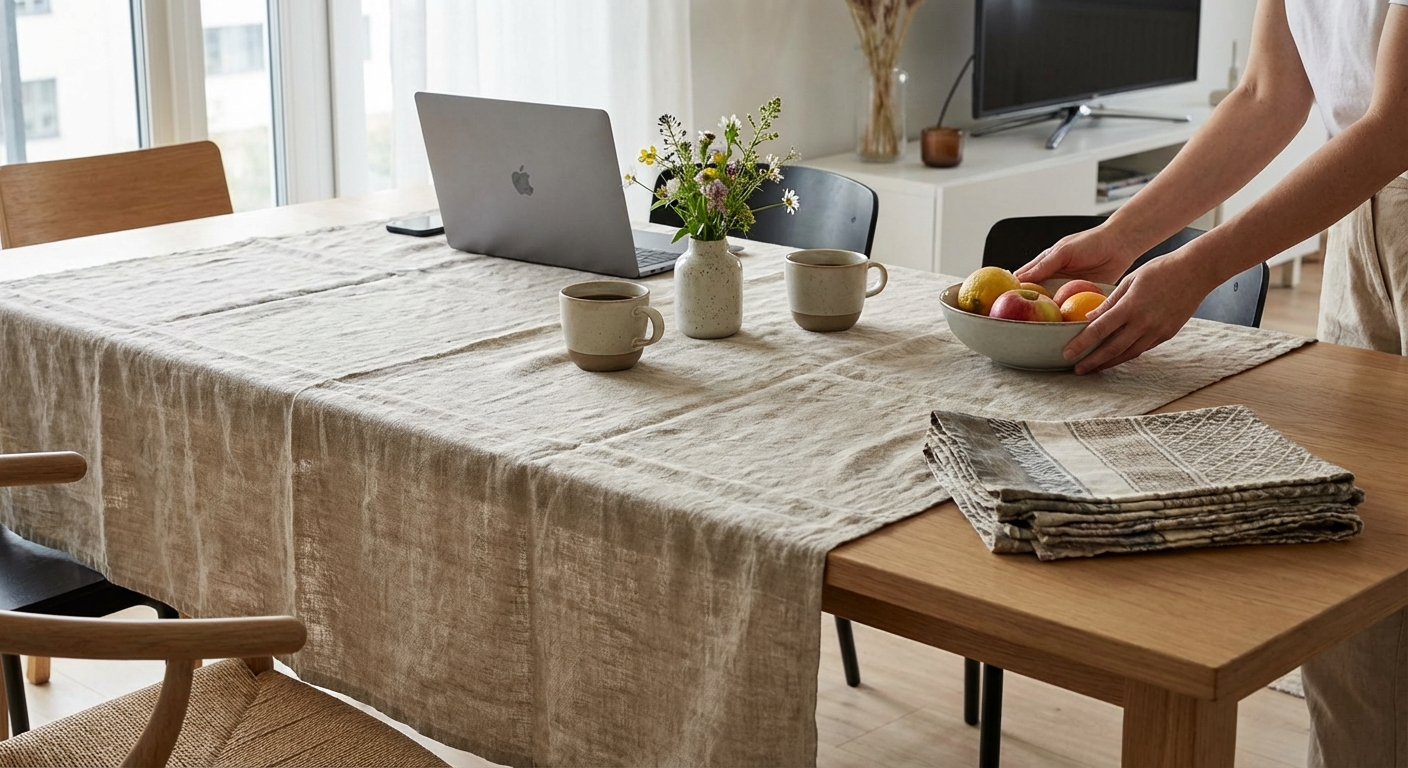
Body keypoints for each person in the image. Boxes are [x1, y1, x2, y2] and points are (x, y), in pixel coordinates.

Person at [1016, 1, 1408, 764]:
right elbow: (1268, 93)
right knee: (1357, 536)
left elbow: (1393, 127)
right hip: (1354, 216)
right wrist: (1121, 238)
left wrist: (1196, 267)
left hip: (1384, 173)